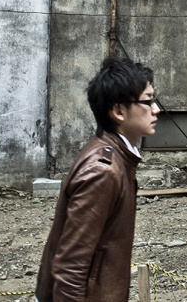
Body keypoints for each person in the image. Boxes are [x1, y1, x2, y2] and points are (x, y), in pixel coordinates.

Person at [36, 55, 160, 302]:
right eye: (147, 101)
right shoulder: (103, 171)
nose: (156, 109)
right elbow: (70, 266)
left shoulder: (116, 156)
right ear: (118, 111)